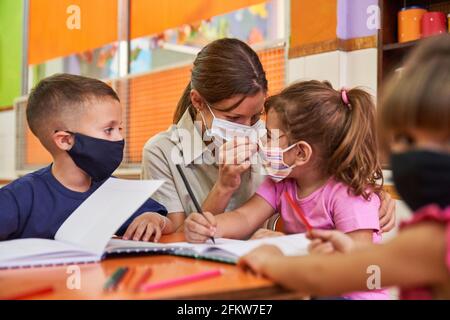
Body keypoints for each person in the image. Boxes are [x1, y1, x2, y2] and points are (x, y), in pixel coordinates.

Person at [238, 34, 450, 300]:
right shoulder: (431, 233)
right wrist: (352, 255)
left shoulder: (435, 239)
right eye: (405, 139)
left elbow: (327, 276)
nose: (422, 155)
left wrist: (272, 258)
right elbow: (375, 269)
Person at [141, 38, 396, 235]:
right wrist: (223, 188)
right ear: (197, 101)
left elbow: (326, 177)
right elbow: (182, 237)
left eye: (255, 118)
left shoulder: (277, 144)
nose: (253, 131)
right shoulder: (162, 152)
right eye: (234, 119)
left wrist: (373, 197)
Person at [184, 80, 389, 299]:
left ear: (301, 152)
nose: (262, 142)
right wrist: (209, 226)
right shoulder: (280, 183)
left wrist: (282, 247)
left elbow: (358, 261)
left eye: (270, 136)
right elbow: (243, 218)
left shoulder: (349, 195)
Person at [0, 74, 169, 242]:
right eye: (109, 130)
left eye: (120, 128)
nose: (119, 138)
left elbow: (167, 223)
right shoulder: (18, 197)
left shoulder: (116, 192)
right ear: (65, 140)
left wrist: (154, 219)